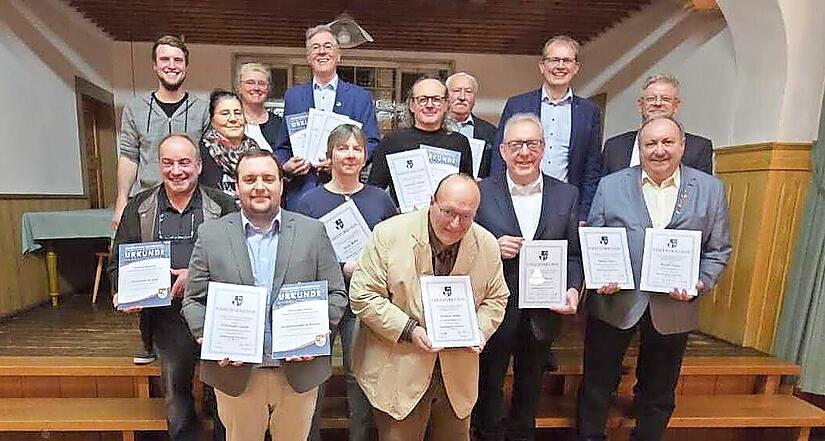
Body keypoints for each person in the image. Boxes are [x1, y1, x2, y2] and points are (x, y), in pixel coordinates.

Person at [576, 116, 732, 441]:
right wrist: (599, 275)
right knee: (596, 385)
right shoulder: (612, 184)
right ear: (640, 147)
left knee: (658, 391)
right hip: (614, 301)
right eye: (650, 143)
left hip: (674, 307)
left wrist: (699, 283)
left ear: (682, 146)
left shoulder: (710, 190)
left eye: (667, 142)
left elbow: (719, 250)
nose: (659, 150)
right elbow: (594, 238)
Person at [182, 150, 348, 441]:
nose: (259, 186)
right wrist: (207, 337)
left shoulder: (313, 232)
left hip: (299, 372)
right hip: (235, 373)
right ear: (236, 186)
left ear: (281, 184)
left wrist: (317, 333)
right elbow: (193, 299)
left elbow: (336, 293)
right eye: (250, 179)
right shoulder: (211, 234)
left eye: (268, 178)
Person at [349, 173, 510, 440]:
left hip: (457, 377)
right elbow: (364, 295)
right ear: (431, 202)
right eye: (448, 212)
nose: (456, 223)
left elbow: (496, 298)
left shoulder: (487, 244)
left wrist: (479, 330)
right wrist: (409, 329)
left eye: (466, 216)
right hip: (400, 371)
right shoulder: (389, 234)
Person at [108, 133, 236, 441]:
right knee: (176, 394)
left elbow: (240, 261)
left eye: (184, 163)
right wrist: (120, 292)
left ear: (199, 165)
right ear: (158, 166)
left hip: (215, 311)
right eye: (168, 163)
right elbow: (118, 262)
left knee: (225, 392)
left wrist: (196, 274)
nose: (176, 170)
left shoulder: (222, 204)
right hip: (166, 316)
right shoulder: (139, 206)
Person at [473, 113, 583, 441]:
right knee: (488, 384)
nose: (524, 152)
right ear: (503, 151)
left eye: (532, 144)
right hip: (494, 309)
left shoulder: (567, 194)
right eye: (516, 144)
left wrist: (574, 289)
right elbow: (461, 244)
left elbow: (575, 254)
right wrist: (491, 246)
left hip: (543, 311)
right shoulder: (481, 192)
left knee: (531, 386)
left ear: (543, 149)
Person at [295, 124, 397, 441]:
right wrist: (341, 266)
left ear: (365, 156)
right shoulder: (309, 201)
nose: (349, 154)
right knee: (314, 377)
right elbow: (301, 254)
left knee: (359, 378)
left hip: (365, 300)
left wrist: (366, 268)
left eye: (356, 148)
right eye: (342, 148)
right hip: (321, 300)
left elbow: (391, 251)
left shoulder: (380, 200)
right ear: (329, 155)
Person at [491, 35, 603, 221]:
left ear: (576, 68)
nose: (560, 66)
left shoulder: (589, 112)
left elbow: (592, 168)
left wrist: (584, 215)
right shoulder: (517, 105)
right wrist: (497, 204)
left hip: (565, 207)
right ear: (542, 66)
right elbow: (499, 157)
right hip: (519, 198)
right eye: (553, 60)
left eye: (566, 60)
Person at [275, 24, 381, 209]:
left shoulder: (360, 97)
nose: (321, 52)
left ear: (339, 56)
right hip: (302, 191)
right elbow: (282, 147)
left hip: (346, 190)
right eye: (315, 47)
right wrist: (285, 165)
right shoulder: (293, 96)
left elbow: (371, 142)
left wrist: (341, 161)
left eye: (328, 46)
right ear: (308, 57)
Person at [113, 35, 209, 229]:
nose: (172, 65)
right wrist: (122, 199)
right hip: (147, 202)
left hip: (192, 204)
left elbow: (208, 161)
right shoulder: (135, 108)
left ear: (186, 67)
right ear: (154, 66)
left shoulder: (203, 110)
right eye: (165, 59)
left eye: (178, 60)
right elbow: (129, 157)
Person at [369, 77, 474, 205]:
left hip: (448, 221)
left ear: (446, 105)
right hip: (404, 220)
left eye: (436, 100)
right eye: (422, 100)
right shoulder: (392, 142)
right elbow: (374, 191)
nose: (429, 105)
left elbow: (467, 191)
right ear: (412, 106)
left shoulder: (459, 143)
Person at [602, 73, 713, 175]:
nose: (658, 103)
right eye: (651, 99)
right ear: (641, 105)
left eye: (665, 99)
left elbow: (703, 192)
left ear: (676, 106)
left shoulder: (699, 148)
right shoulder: (613, 147)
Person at [199, 89, 261, 199]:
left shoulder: (255, 151)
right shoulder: (200, 153)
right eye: (225, 113)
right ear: (212, 120)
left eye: (238, 113)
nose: (233, 119)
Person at [446, 72, 498, 178]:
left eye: (468, 92)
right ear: (446, 96)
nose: (462, 97)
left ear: (474, 98)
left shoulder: (491, 132)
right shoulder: (434, 128)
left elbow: (496, 169)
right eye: (456, 91)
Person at [237, 62, 283, 152]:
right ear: (239, 88)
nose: (256, 88)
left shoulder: (279, 124)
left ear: (268, 88)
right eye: (250, 83)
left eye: (261, 83)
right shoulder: (230, 121)